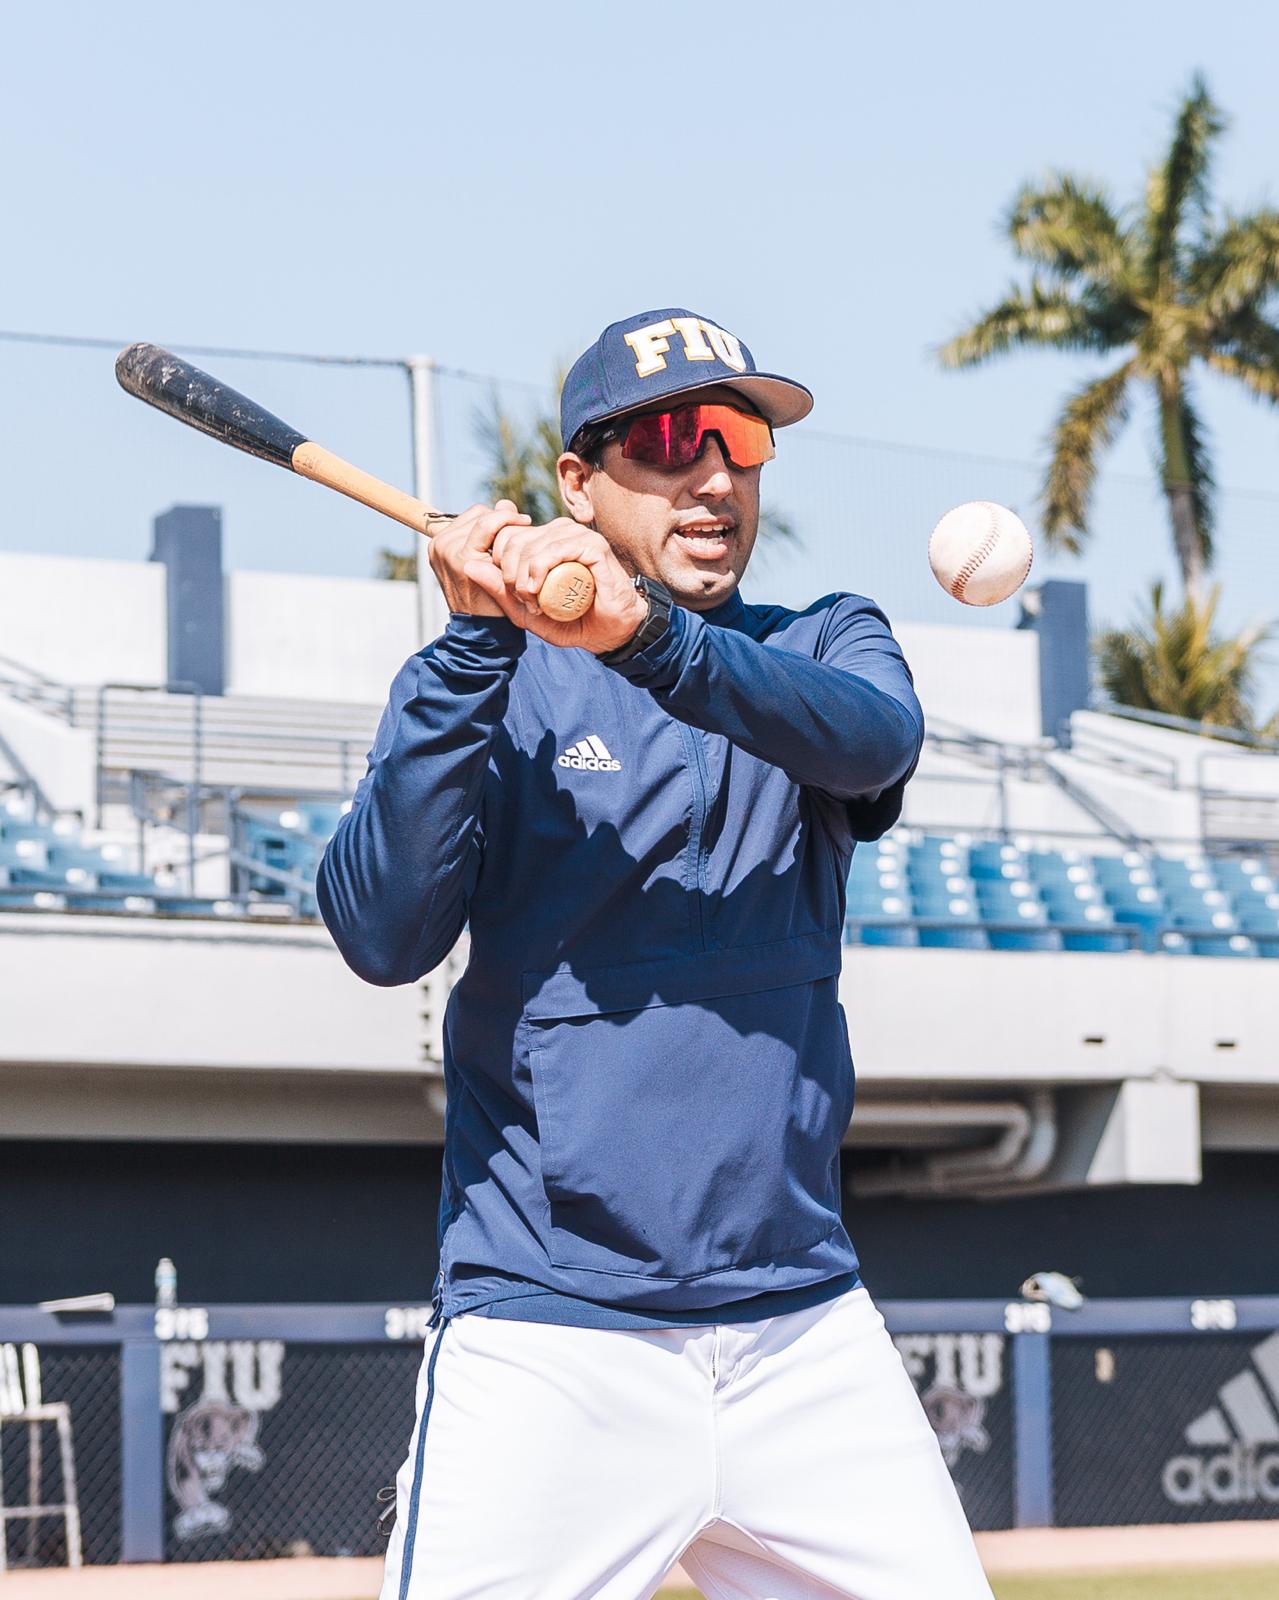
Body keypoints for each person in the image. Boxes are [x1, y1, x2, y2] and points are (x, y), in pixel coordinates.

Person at [318, 308, 993, 1600]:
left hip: (800, 1329)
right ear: (579, 482)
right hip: (551, 1330)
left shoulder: (820, 637)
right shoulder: (483, 685)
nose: (717, 476)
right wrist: (472, 644)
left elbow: (875, 741)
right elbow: (379, 931)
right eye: (675, 439)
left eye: (740, 441)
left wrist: (647, 641)